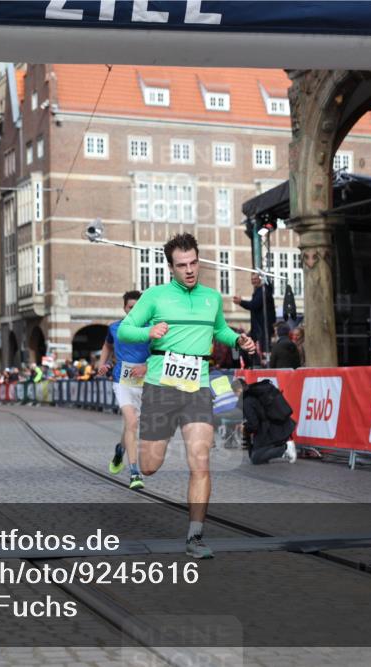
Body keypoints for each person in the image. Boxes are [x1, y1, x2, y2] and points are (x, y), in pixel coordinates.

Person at [118, 233, 256, 558]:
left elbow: (219, 330)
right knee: (150, 465)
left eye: (194, 263)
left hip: (197, 386)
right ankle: (137, 449)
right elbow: (126, 329)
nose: (190, 270)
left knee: (201, 462)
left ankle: (195, 538)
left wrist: (238, 340)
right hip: (161, 386)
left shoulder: (211, 297)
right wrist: (147, 332)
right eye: (182, 265)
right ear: (171, 267)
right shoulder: (154, 296)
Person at [97, 290, 150, 490]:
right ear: (124, 308)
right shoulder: (115, 328)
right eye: (130, 308)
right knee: (132, 421)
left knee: (133, 426)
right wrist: (102, 365)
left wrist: (146, 366)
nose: (134, 311)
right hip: (123, 381)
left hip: (146, 382)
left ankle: (120, 449)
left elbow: (159, 353)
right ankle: (134, 472)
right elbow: (107, 346)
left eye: (138, 308)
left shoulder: (150, 329)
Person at [242, 379, 298, 464]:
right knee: (256, 455)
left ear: (238, 390)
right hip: (279, 426)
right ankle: (281, 447)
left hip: (269, 430)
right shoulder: (255, 392)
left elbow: (254, 425)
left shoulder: (246, 401)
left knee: (255, 458)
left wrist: (244, 429)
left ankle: (285, 449)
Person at [233, 272, 276, 360]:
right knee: (248, 344)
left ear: (261, 279)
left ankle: (257, 363)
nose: (253, 282)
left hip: (262, 327)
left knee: (257, 347)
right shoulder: (260, 290)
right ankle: (251, 363)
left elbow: (254, 305)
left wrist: (241, 302)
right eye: (252, 280)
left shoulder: (263, 291)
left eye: (255, 279)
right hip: (258, 326)